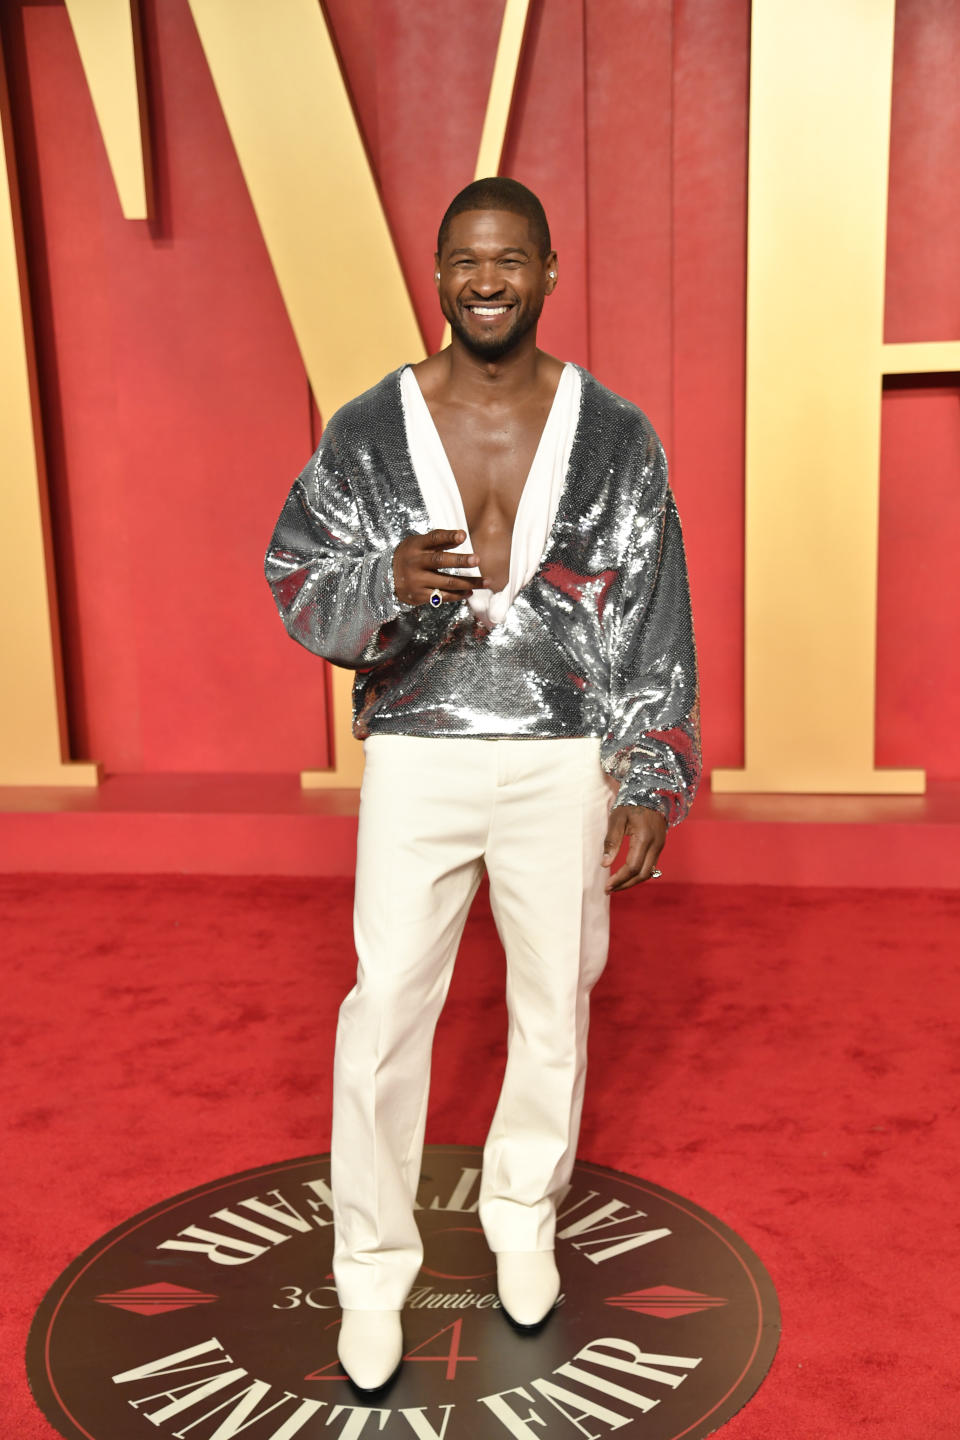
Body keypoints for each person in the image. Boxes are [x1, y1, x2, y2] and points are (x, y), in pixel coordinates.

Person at [265, 177, 700, 1390]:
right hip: (417, 750)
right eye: (466, 260)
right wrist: (387, 583)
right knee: (385, 1015)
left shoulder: (615, 434)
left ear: (551, 271)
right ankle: (369, 1269)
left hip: (562, 758)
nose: (488, 279)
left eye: (511, 259)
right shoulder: (364, 429)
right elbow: (297, 575)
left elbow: (648, 611)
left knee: (555, 1006)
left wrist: (649, 771)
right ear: (439, 273)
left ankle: (521, 1222)